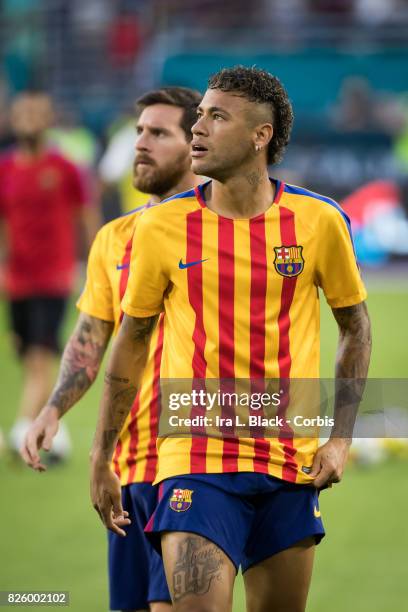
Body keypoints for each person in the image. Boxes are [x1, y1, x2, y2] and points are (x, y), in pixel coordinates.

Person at [90, 66, 372, 612]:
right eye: (198, 116)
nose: (198, 128)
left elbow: (355, 327)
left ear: (260, 136)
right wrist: (104, 456)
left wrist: (339, 438)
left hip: (288, 463)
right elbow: (131, 341)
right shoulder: (160, 228)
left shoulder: (319, 222)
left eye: (216, 117)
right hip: (195, 457)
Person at [21, 86, 202, 612]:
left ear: (197, 145)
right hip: (126, 469)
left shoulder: (220, 231)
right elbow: (91, 335)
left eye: (158, 133)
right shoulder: (114, 238)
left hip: (194, 461)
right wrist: (52, 408)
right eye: (139, 131)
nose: (140, 143)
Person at [0, 91, 97, 458]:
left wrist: (90, 264)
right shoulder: (5, 169)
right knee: (26, 357)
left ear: (48, 119)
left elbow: (86, 217)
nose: (29, 119)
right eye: (23, 112)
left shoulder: (65, 167)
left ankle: (20, 434)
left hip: (53, 277)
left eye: (37, 113)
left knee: (40, 358)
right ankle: (54, 432)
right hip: (17, 280)